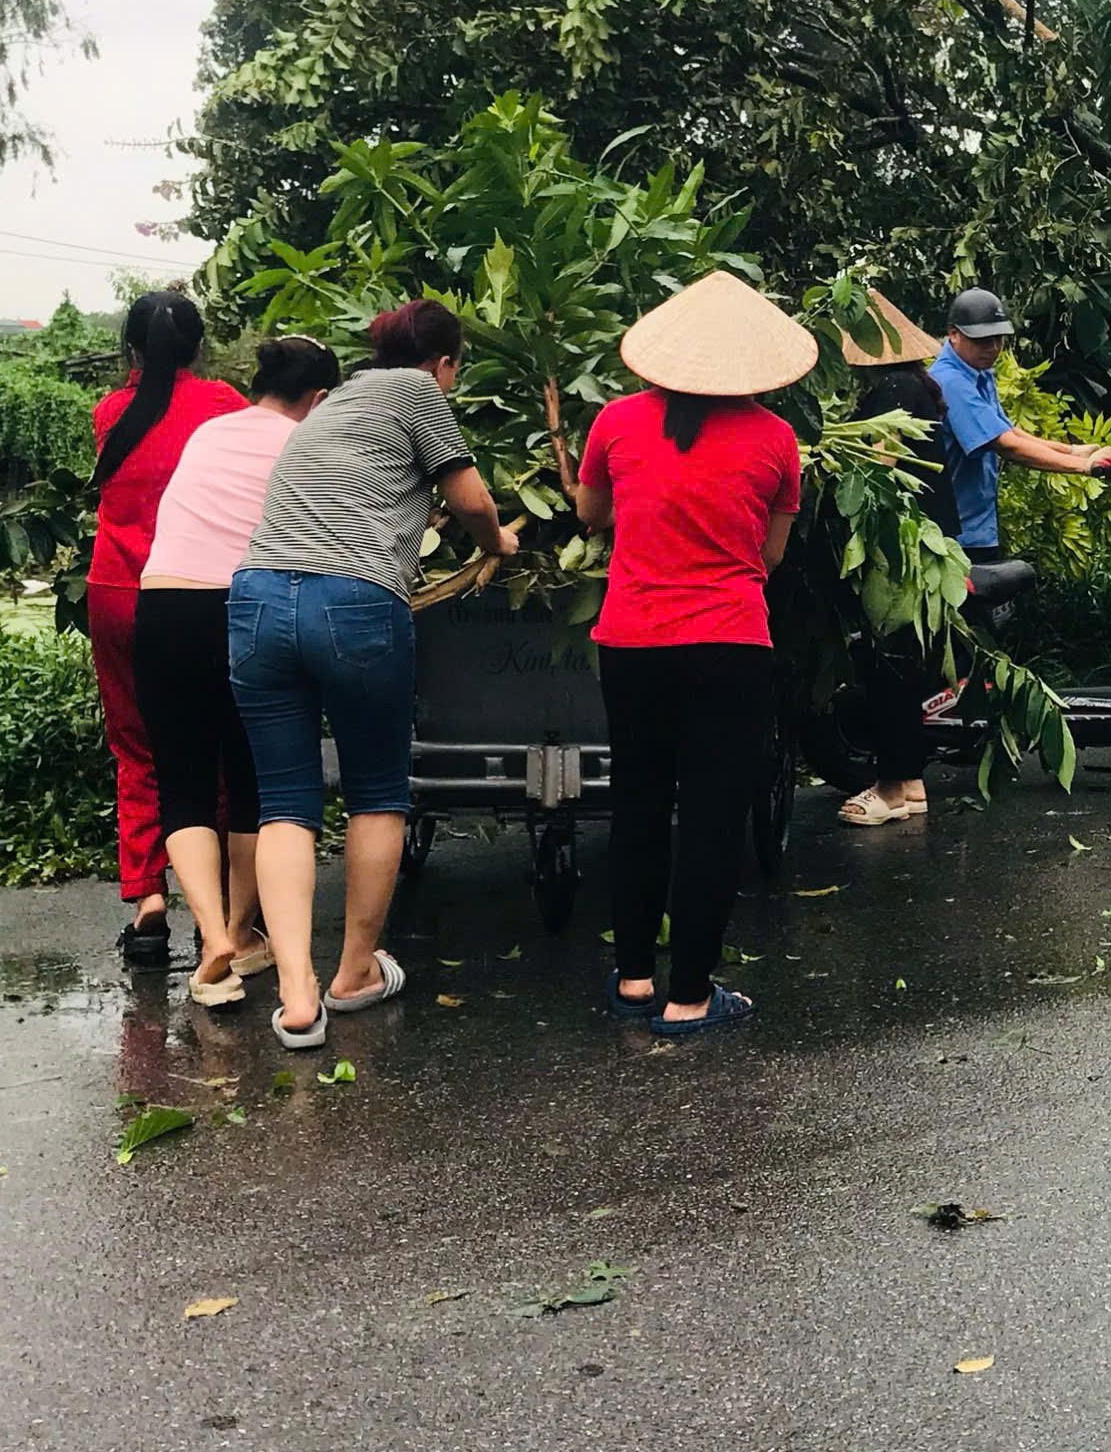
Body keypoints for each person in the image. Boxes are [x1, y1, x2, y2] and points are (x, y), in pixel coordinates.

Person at [229, 301, 517, 1049]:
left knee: (285, 800)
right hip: (352, 602)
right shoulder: (418, 391)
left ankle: (296, 995)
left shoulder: (337, 401)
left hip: (257, 597)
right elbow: (471, 498)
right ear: (443, 363)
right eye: (456, 370)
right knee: (377, 791)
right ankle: (354, 972)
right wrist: (500, 540)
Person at [572, 271, 812, 1036]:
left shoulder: (614, 421)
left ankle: (635, 979)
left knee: (639, 803)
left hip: (632, 640)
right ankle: (691, 996)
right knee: (712, 815)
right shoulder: (776, 441)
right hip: (729, 641)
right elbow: (769, 555)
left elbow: (590, 514)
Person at [131, 335, 341, 1008]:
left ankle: (214, 933)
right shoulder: (305, 444)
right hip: (244, 607)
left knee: (184, 784)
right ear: (319, 399)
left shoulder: (210, 432)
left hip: (160, 604)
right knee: (255, 779)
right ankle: (246, 935)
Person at [89, 291, 247, 964]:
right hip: (202, 595)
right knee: (213, 747)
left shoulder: (109, 413)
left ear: (130, 350)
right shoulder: (223, 406)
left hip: (116, 592)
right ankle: (221, 909)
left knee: (136, 748)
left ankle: (149, 899)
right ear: (198, 347)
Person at [836, 289, 958, 827]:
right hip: (924, 544)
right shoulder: (914, 384)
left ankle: (887, 789)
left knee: (889, 668)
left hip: (898, 546)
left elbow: (878, 462)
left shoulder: (893, 388)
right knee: (908, 665)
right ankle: (909, 784)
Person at [925, 287, 1111, 560]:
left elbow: (1007, 430)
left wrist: (1070, 451)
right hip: (956, 534)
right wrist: (1084, 467)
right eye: (982, 340)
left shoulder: (978, 372)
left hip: (976, 523)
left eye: (997, 339)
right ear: (954, 334)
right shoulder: (950, 381)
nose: (993, 348)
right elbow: (1006, 446)